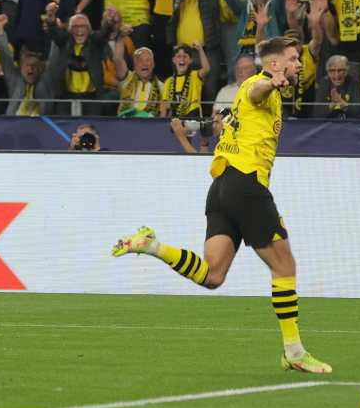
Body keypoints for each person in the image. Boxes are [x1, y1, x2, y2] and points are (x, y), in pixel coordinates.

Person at [112, 37, 331, 374]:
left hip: (221, 189)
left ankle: (150, 245)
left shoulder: (248, 95)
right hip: (246, 185)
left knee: (213, 275)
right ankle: (294, 351)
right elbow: (258, 89)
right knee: (284, 268)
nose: (299, 64)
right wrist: (272, 82)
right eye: (293, 58)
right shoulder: (259, 84)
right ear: (275, 64)